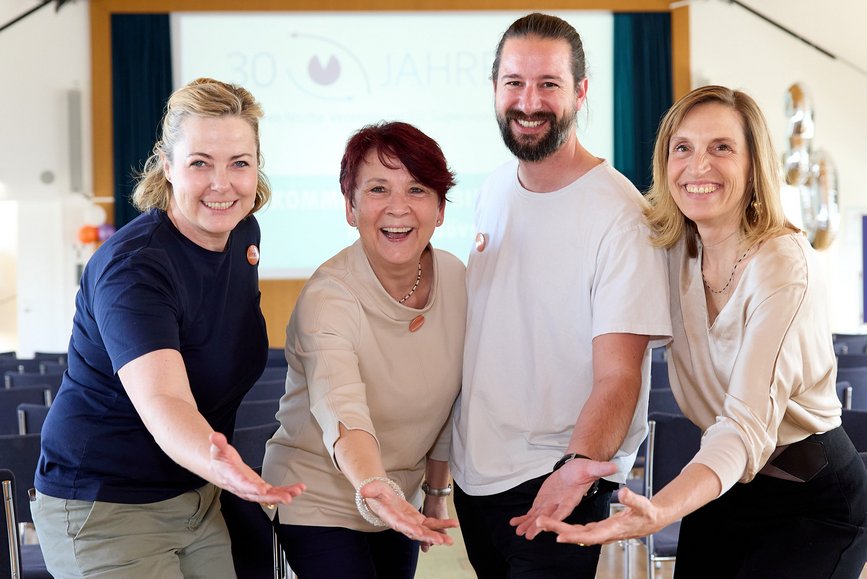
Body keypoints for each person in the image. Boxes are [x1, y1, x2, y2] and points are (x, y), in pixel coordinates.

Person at [539, 85, 867, 578]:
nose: (698, 166)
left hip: (812, 495)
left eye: (721, 148)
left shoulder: (782, 263)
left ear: (754, 165)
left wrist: (662, 511)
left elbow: (743, 425)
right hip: (722, 482)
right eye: (683, 148)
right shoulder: (669, 253)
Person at [30, 77, 305, 578]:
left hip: (196, 496)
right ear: (168, 166)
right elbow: (165, 402)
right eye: (200, 162)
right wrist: (222, 464)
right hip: (105, 508)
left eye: (239, 163)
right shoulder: (133, 269)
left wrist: (214, 476)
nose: (222, 184)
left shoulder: (242, 230)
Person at [449, 12, 672, 578]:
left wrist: (576, 468)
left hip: (557, 479)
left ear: (581, 92)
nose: (529, 102)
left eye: (548, 84)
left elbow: (620, 377)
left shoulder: (621, 216)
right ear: (495, 89)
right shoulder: (496, 187)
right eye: (514, 83)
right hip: (477, 477)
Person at [261, 121, 465, 579]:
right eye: (377, 189)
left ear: (440, 208)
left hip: (399, 501)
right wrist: (377, 488)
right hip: (316, 499)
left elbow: (453, 399)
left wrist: (435, 491)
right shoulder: (329, 296)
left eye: (417, 189)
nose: (398, 208)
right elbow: (342, 408)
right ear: (350, 208)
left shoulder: (457, 280)